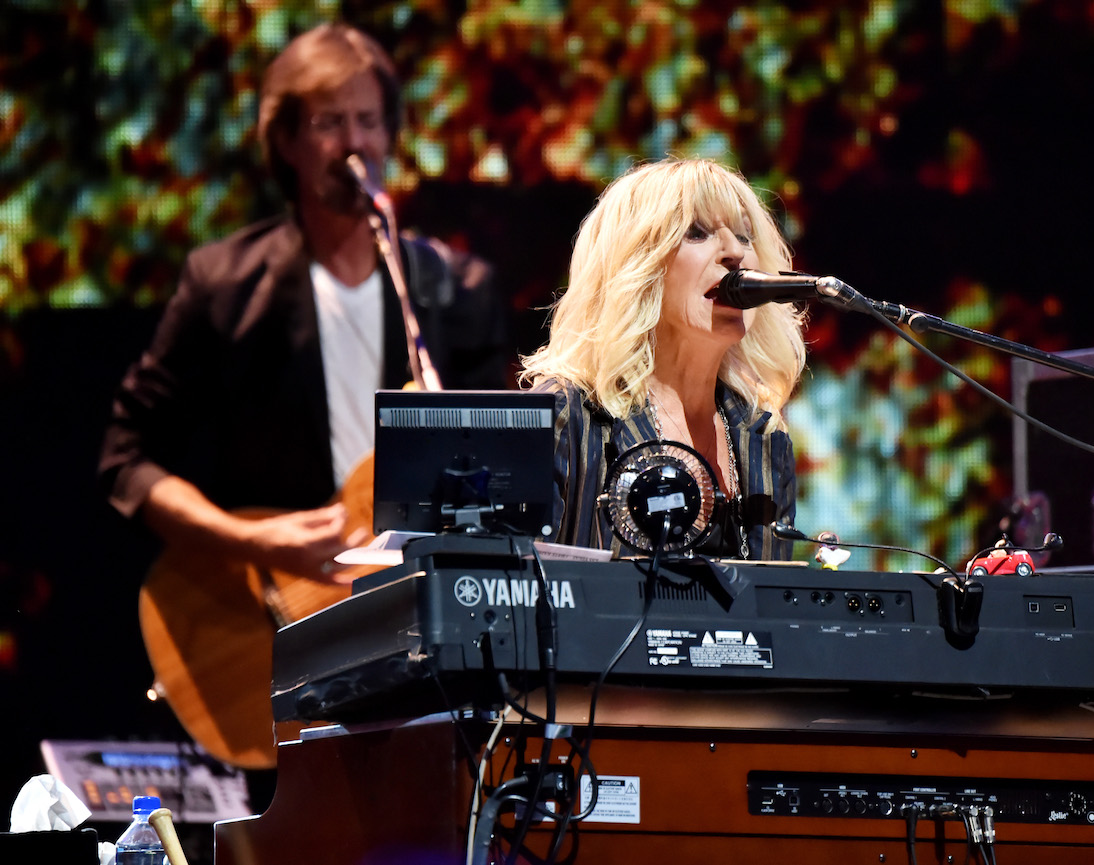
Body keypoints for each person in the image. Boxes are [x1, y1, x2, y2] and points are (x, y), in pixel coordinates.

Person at [96, 23, 511, 780]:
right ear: (285, 141)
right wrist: (250, 542)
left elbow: (515, 480)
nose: (354, 142)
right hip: (274, 622)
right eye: (327, 122)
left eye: (367, 120)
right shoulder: (225, 286)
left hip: (421, 644)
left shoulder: (456, 294)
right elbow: (126, 459)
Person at [518, 158, 807, 560]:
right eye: (697, 232)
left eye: (744, 235)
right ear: (637, 265)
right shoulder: (568, 415)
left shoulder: (762, 436)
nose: (734, 253)